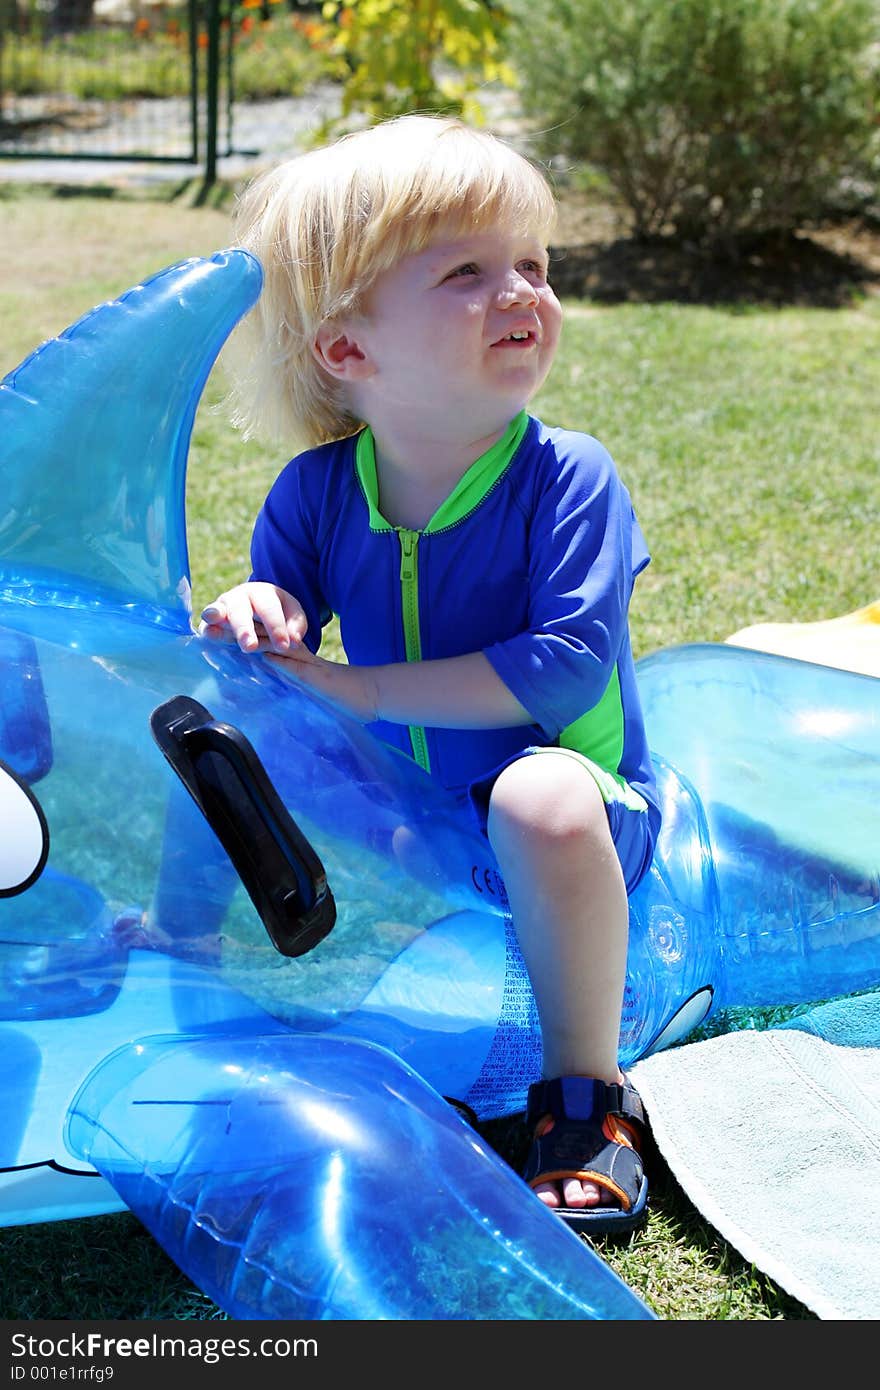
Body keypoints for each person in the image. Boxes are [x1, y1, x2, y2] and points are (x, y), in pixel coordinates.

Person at [199, 114, 662, 1236]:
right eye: (468, 271)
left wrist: (355, 690)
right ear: (348, 351)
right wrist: (259, 615)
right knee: (212, 716)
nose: (523, 292)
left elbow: (557, 676)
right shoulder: (315, 493)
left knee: (534, 793)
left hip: (583, 815)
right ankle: (170, 947)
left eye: (535, 267)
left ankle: (583, 1097)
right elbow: (284, 659)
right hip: (412, 821)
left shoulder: (567, 478)